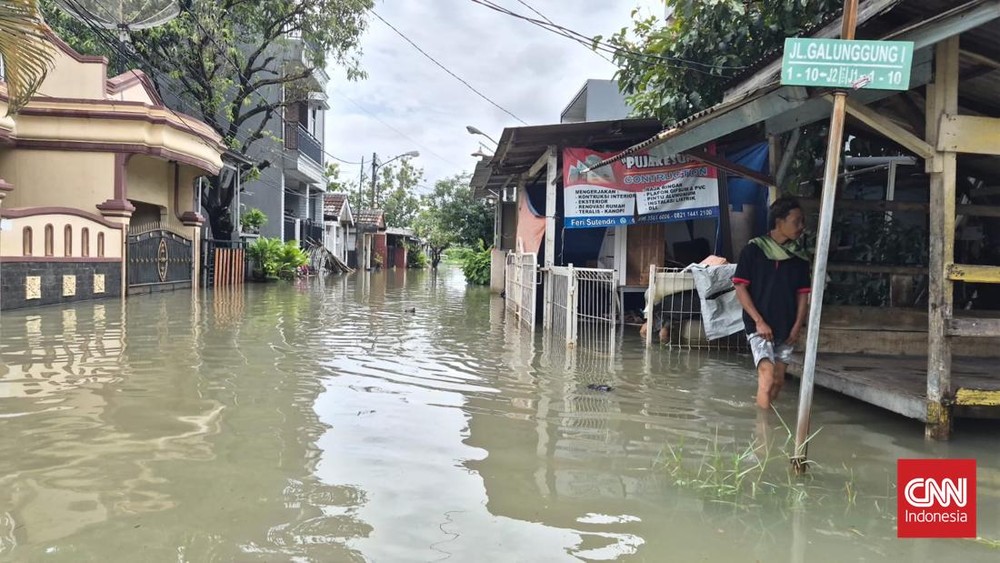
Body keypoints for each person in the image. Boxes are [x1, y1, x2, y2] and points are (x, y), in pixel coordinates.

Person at [732, 196, 811, 410]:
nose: (801, 227)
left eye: (802, 221)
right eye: (797, 221)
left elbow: (803, 296)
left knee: (778, 381)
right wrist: (758, 321)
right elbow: (740, 288)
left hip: (786, 325)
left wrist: (797, 327)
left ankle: (764, 414)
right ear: (779, 221)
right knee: (767, 377)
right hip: (759, 325)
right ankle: (762, 436)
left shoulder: (799, 258)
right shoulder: (753, 251)